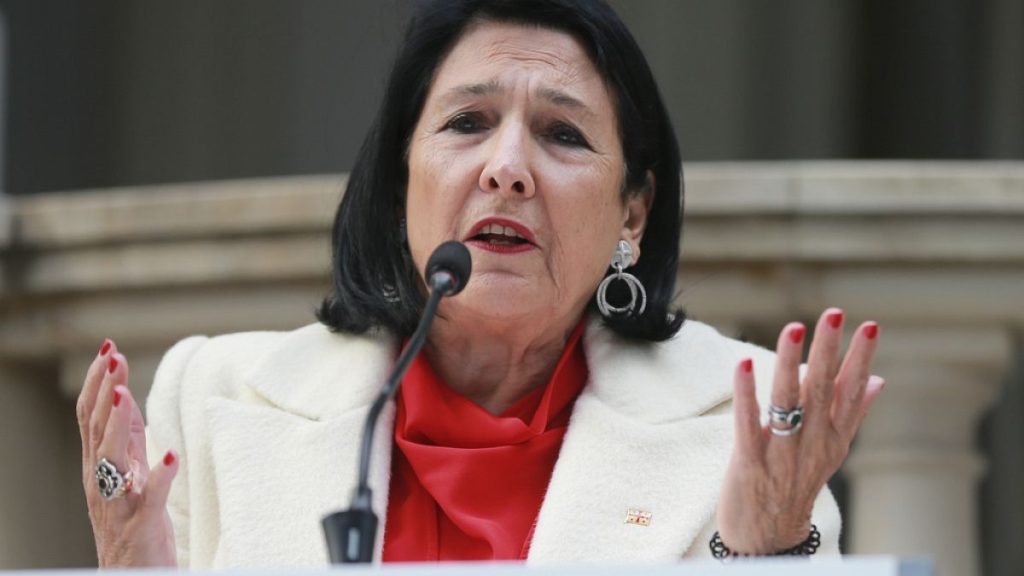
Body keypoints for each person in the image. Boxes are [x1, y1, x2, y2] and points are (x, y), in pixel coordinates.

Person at [77, 0, 884, 567]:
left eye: (562, 134)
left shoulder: (740, 424)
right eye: (468, 122)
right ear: (400, 185)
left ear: (632, 215)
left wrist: (760, 555)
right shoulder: (217, 396)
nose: (507, 170)